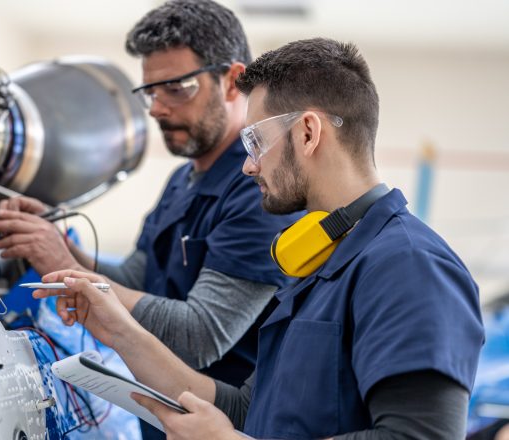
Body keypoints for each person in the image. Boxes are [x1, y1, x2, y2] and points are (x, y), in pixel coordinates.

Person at [33, 37, 485, 439]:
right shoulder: (320, 264)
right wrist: (119, 331)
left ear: (308, 133)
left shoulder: (407, 264)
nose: (249, 165)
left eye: (255, 142)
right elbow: (247, 411)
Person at [0, 1, 298, 436]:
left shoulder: (256, 189)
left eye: (178, 88)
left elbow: (201, 334)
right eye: (151, 92)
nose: (157, 109)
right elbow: (137, 274)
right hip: (162, 418)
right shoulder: (182, 180)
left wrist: (73, 269)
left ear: (232, 80)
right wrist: (59, 245)